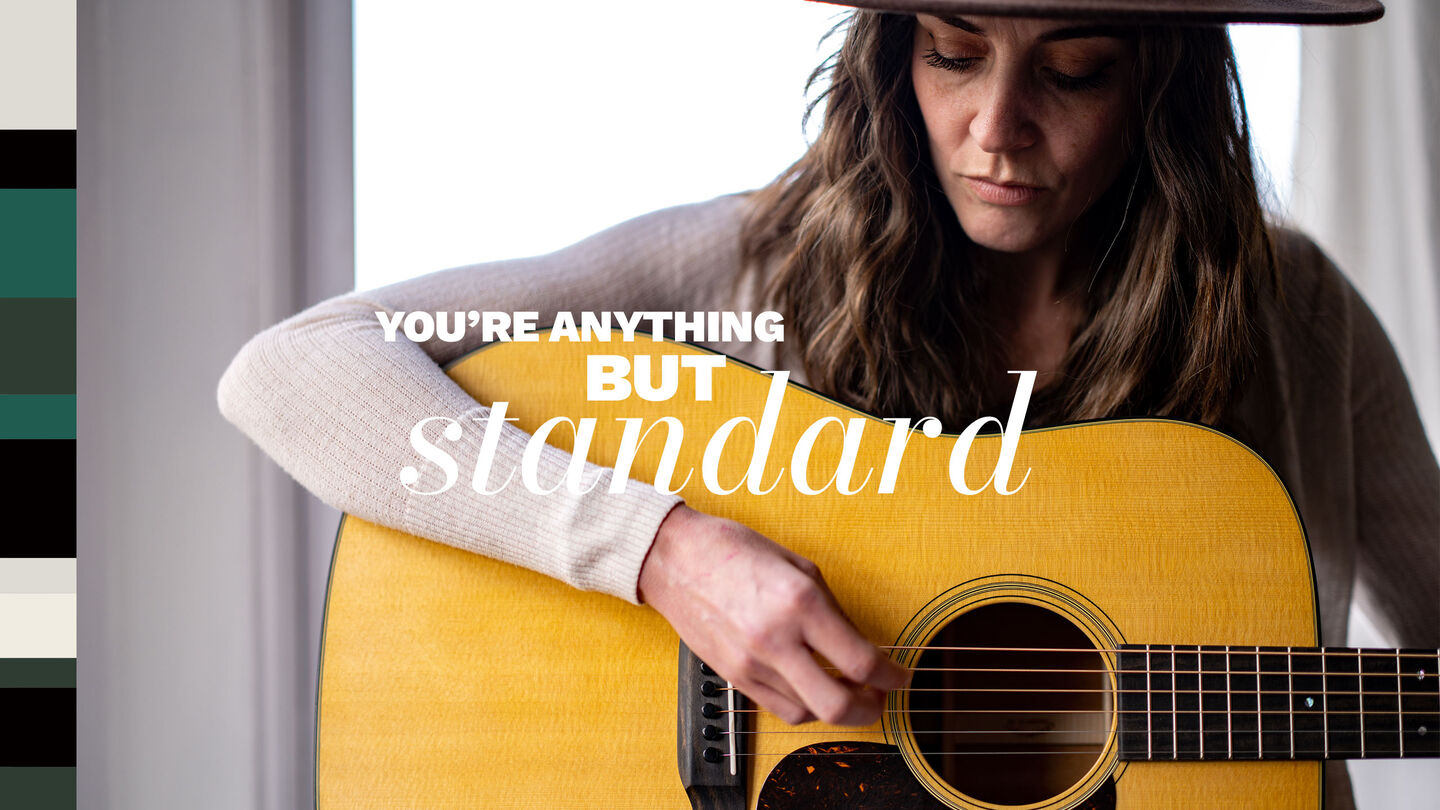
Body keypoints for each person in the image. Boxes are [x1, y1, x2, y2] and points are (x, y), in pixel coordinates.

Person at [217, 1, 1436, 806]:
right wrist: (660, 552)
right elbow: (295, 366)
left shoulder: (1294, 316)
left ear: (1162, 89)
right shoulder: (747, 267)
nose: (996, 129)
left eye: (1073, 71)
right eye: (955, 52)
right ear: (892, 54)